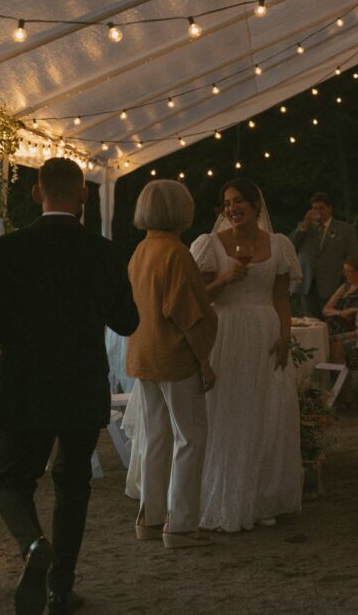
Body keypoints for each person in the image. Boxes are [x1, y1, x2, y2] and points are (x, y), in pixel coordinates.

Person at [0, 158, 138, 614]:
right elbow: (127, 322)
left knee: (9, 483)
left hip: (25, 385)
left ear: (37, 194)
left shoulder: (7, 250)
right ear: (83, 195)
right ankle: (61, 590)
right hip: (82, 384)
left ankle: (32, 545)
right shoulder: (106, 252)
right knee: (73, 485)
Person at [191, 178, 303, 531]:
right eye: (227, 203)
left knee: (265, 413)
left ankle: (260, 498)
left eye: (239, 201)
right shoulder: (210, 245)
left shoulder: (279, 244)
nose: (232, 208)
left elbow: (282, 297)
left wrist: (285, 336)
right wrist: (225, 279)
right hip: (225, 332)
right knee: (227, 412)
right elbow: (197, 297)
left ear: (256, 205)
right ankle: (221, 497)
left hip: (265, 332)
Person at [126, 180, 217, 549]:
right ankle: (179, 524)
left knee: (157, 438)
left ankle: (149, 518)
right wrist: (205, 362)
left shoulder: (140, 250)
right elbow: (188, 315)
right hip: (174, 356)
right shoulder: (176, 253)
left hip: (143, 355)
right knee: (190, 438)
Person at [290, 192, 358, 318]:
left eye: (322, 208)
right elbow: (290, 247)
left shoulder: (345, 229)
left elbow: (353, 257)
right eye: (315, 208)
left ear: (330, 208)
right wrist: (304, 226)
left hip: (333, 284)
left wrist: (348, 282)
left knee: (330, 322)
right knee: (310, 322)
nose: (318, 211)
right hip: (308, 284)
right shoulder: (305, 229)